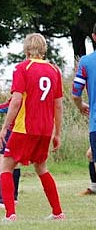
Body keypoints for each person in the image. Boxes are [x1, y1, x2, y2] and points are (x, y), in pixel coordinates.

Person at [0, 33, 64, 222]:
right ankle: (58, 212)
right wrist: (57, 133)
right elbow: (58, 104)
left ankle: (10, 214)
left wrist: (5, 127)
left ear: (26, 49)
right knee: (42, 168)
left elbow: (16, 100)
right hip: (45, 129)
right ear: (44, 49)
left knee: (6, 167)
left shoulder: (22, 68)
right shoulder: (55, 70)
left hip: (24, 128)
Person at [72, 22, 96, 197]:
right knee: (91, 154)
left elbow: (75, 92)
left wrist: (80, 106)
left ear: (93, 37)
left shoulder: (86, 62)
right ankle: (94, 187)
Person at [0, 99, 21, 209]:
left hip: (12, 129)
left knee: (3, 162)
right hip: (23, 129)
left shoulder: (20, 89)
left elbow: (12, 103)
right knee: (15, 163)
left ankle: (2, 200)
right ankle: (14, 197)